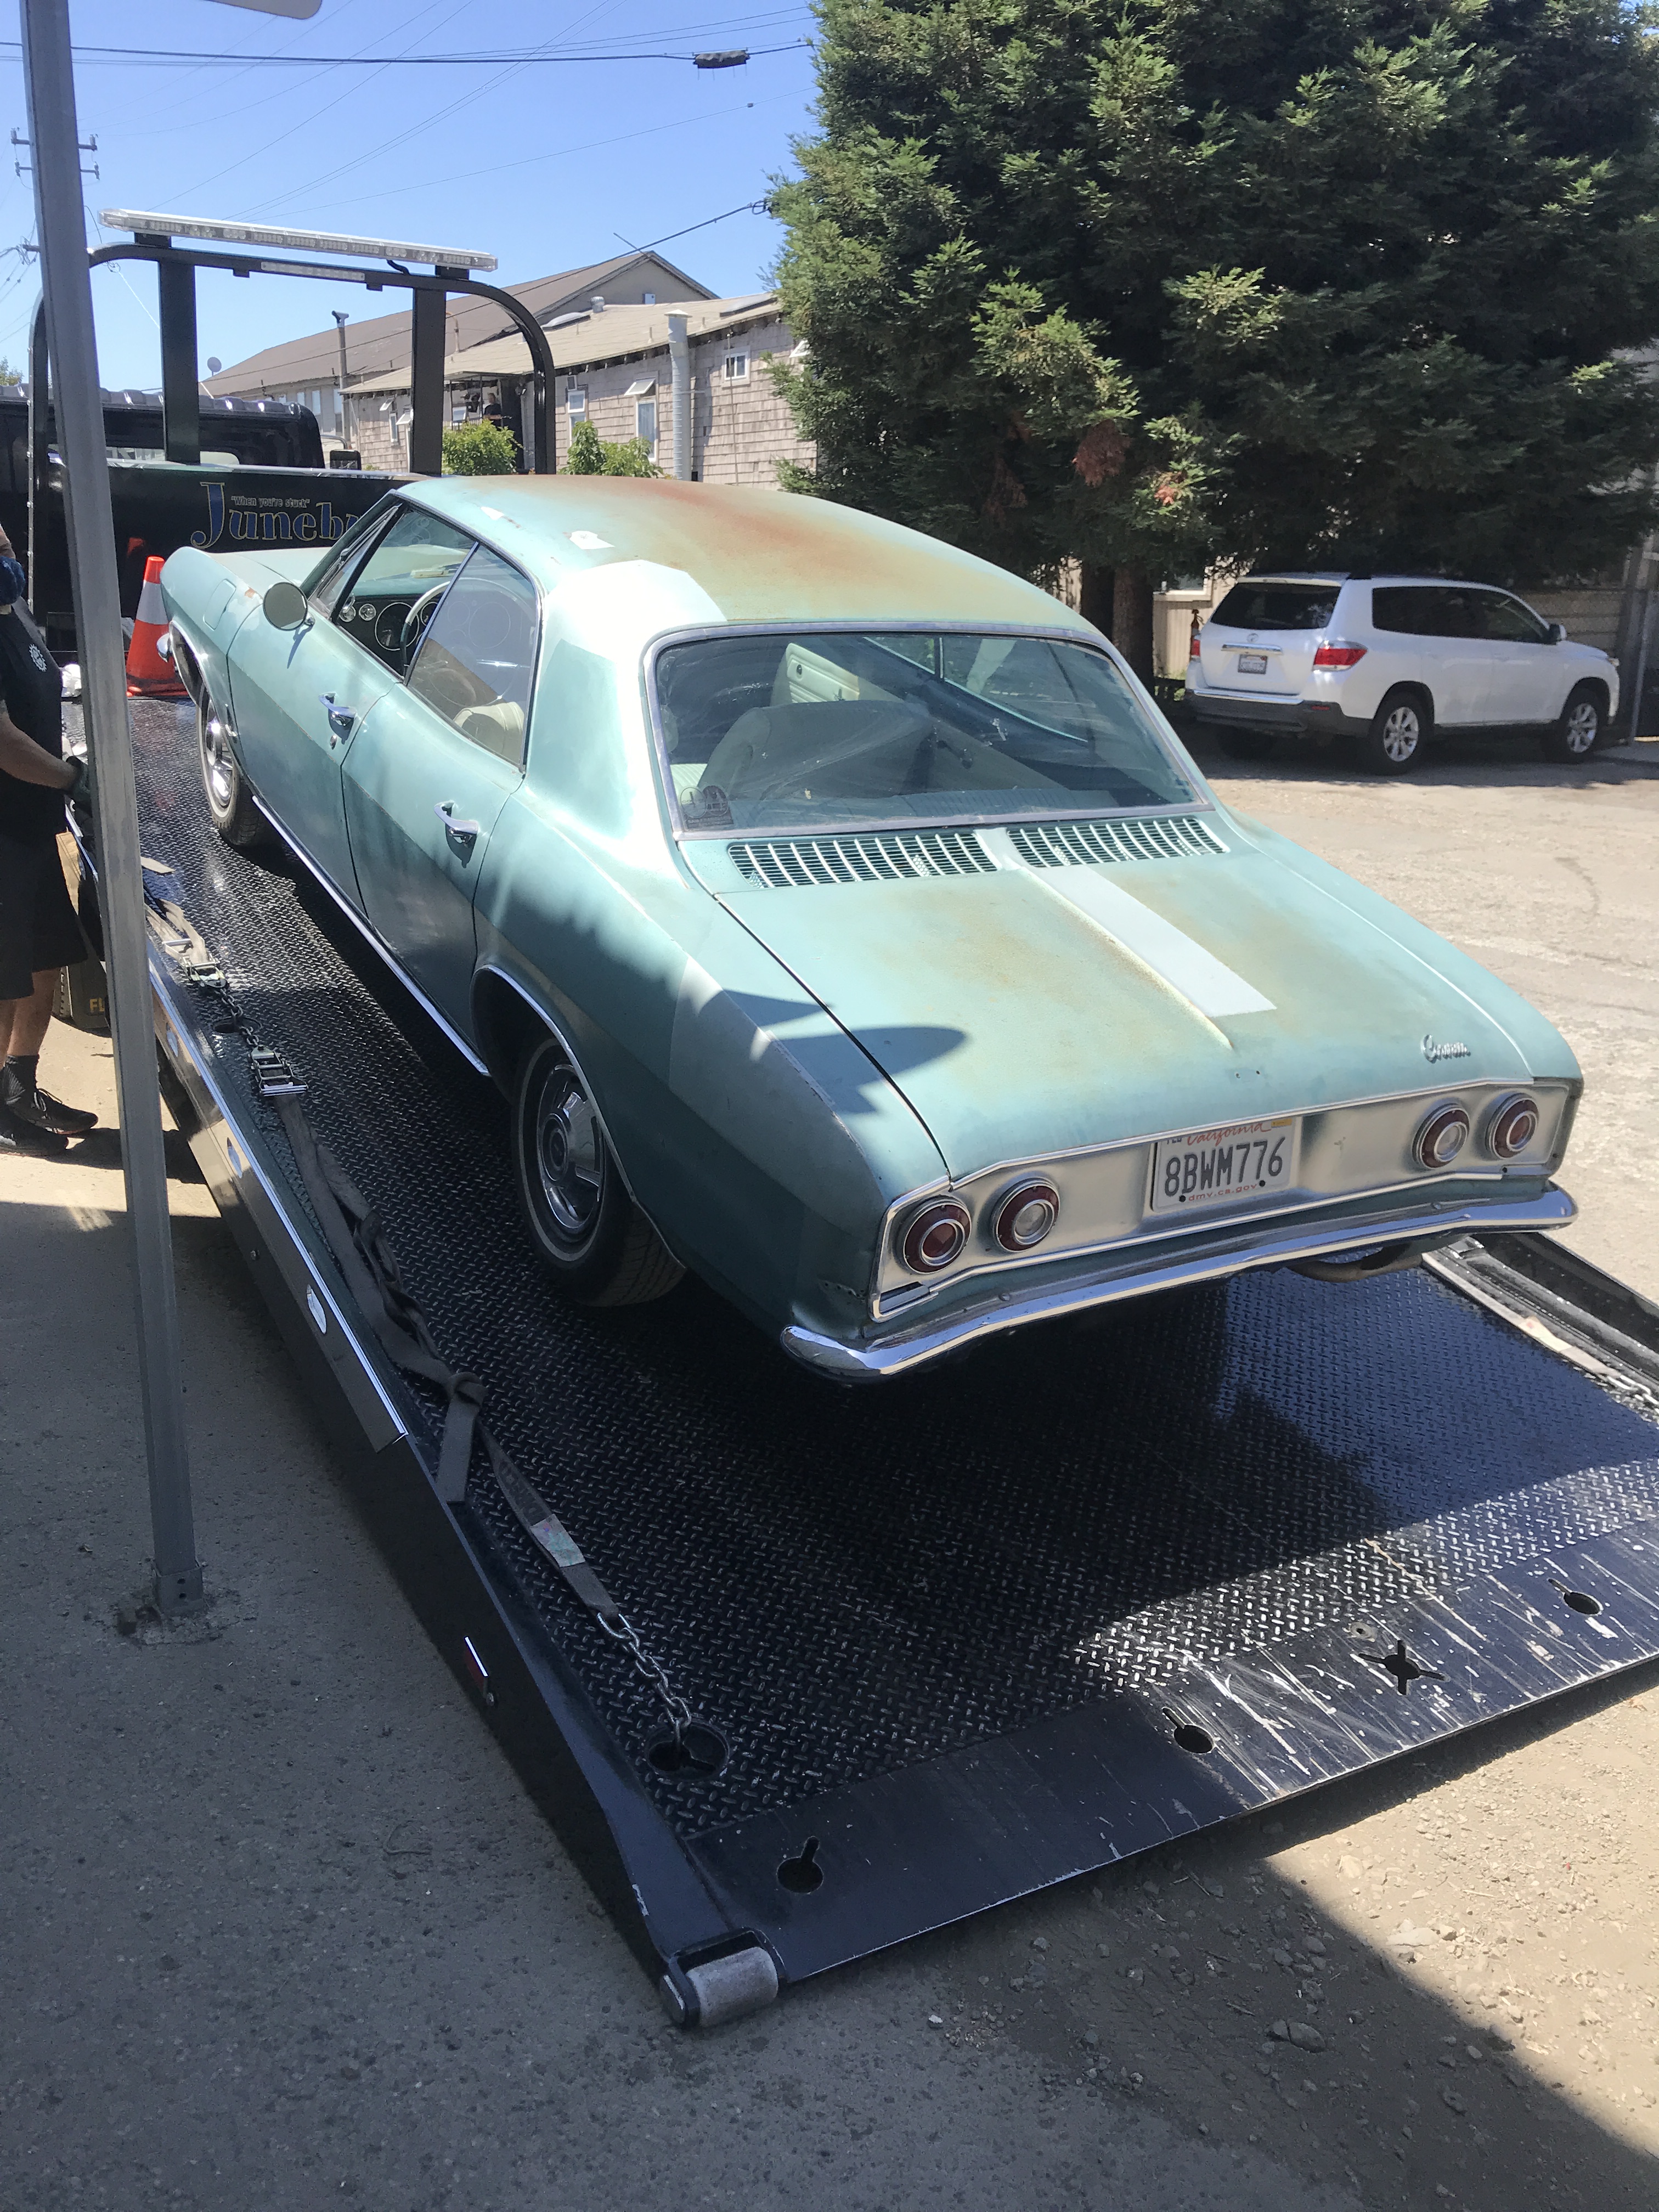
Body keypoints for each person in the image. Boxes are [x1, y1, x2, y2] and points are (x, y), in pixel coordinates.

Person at [0, 526, 98, 1153]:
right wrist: (71, 778)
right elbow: (4, 743)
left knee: (41, 964)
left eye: (5, 550)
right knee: (5, 978)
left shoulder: (14, 615)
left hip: (31, 827)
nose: (5, 563)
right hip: (4, 834)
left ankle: (18, 1086)